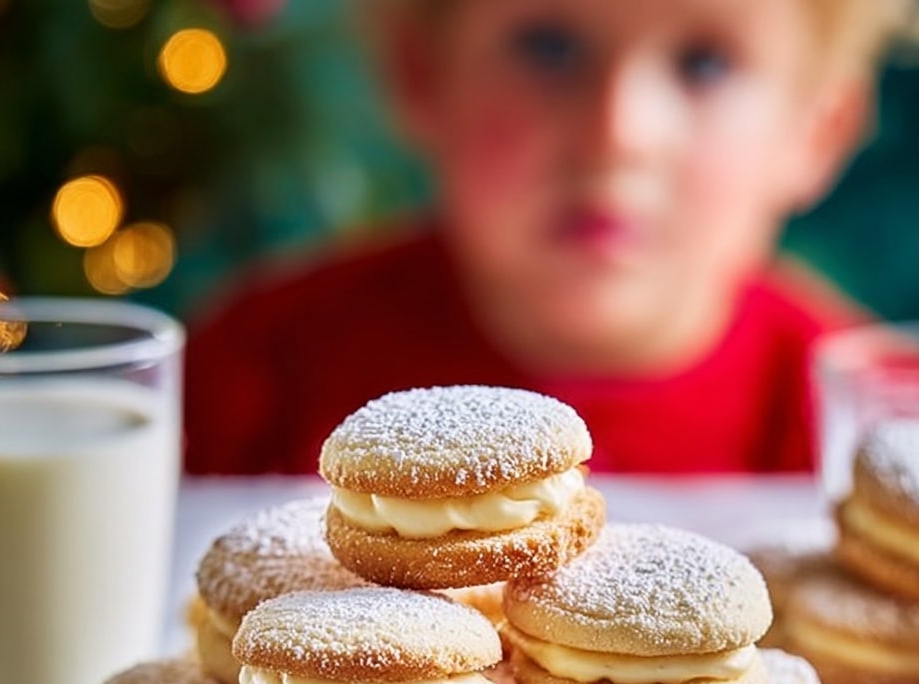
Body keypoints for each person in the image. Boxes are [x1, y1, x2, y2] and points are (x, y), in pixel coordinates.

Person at [183, 0, 909, 476]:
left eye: (704, 63)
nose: (618, 131)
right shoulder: (254, 373)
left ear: (820, 130)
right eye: (550, 47)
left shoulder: (872, 431)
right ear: (420, 74)